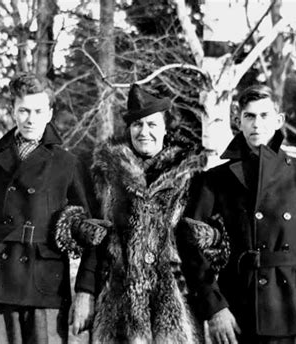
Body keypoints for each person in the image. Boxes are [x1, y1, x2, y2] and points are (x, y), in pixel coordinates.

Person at [180, 85, 296, 344]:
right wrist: (215, 307)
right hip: (239, 311)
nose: (257, 124)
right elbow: (189, 243)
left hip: (292, 309)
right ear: (239, 122)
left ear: (278, 120)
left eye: (265, 115)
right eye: (249, 116)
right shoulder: (215, 180)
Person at [55, 84, 210, 343]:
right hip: (118, 308)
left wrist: (214, 307)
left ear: (165, 127)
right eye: (137, 125)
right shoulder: (107, 173)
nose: (144, 132)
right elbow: (96, 238)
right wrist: (84, 292)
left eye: (152, 124)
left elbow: (197, 248)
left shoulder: (189, 176)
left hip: (175, 306)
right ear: (129, 129)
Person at [0, 73, 96, 343]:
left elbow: (94, 234)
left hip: (46, 285)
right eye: (23, 110)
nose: (30, 118)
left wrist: (85, 290)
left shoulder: (67, 163)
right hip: (2, 282)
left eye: (38, 111)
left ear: (49, 113)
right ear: (13, 112)